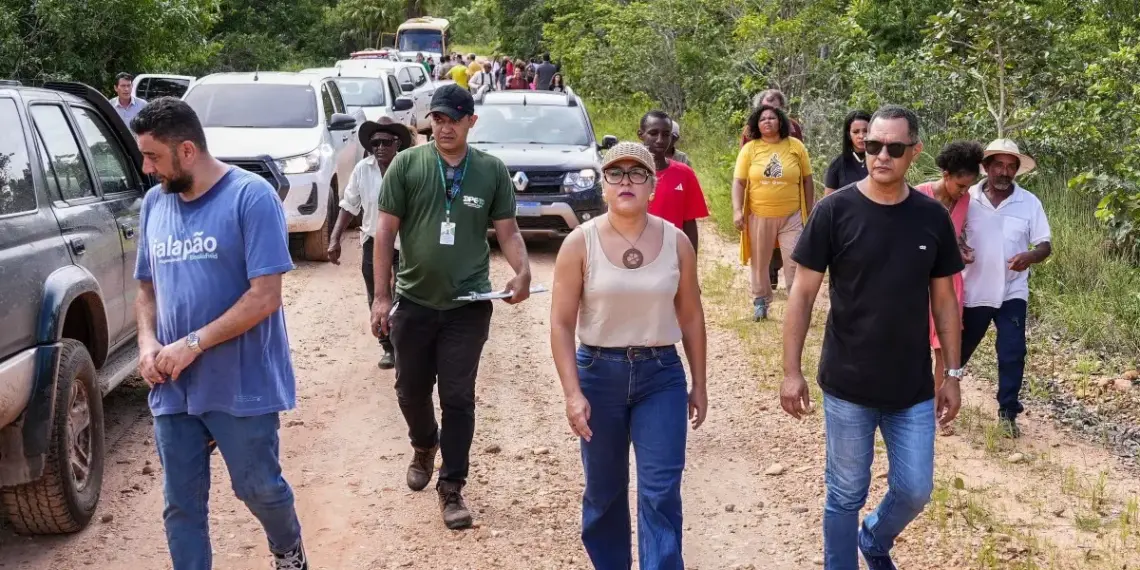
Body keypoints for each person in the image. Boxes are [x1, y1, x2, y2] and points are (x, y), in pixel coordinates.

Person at [782, 105, 964, 570]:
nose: (881, 155)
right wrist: (790, 371)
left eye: (894, 148)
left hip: (911, 388)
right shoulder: (834, 211)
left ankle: (875, 539)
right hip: (848, 384)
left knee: (916, 489)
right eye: (872, 145)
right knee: (845, 492)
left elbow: (945, 303)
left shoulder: (932, 218)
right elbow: (802, 295)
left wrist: (952, 374)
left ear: (914, 152)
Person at [131, 98, 308, 570]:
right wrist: (147, 343)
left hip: (240, 380)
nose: (147, 169)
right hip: (173, 386)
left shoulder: (251, 197)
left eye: (154, 157)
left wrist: (193, 344)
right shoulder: (154, 204)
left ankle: (287, 546)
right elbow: (146, 288)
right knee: (181, 504)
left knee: (258, 488)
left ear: (187, 150)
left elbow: (265, 296)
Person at [369, 84, 532, 529]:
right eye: (438, 120)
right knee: (409, 390)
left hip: (469, 303)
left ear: (470, 122)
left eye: (453, 120)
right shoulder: (407, 164)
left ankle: (452, 487)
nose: (444, 128)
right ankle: (424, 444)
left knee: (458, 396)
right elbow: (384, 233)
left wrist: (522, 271)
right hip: (415, 300)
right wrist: (382, 297)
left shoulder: (490, 171)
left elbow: (508, 231)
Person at [549, 141, 708, 570]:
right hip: (599, 375)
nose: (626, 182)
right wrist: (571, 393)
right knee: (604, 493)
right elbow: (561, 323)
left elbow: (691, 316)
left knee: (660, 491)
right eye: (615, 174)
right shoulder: (579, 244)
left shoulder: (676, 242)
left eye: (637, 173)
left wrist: (700, 383)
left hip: (661, 376)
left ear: (652, 185)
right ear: (602, 186)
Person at [960, 139, 1052, 439]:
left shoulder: (1029, 202)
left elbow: (1044, 245)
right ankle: (935, 398)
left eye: (1011, 166)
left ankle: (1008, 412)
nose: (1004, 171)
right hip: (974, 291)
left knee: (1012, 351)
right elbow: (948, 232)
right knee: (958, 350)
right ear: (985, 167)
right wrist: (958, 248)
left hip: (1012, 291)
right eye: (998, 165)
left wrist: (1030, 256)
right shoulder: (967, 197)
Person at [327, 117, 413, 370]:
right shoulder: (363, 169)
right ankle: (387, 346)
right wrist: (334, 239)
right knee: (377, 295)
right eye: (375, 143)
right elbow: (349, 205)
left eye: (386, 142)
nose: (380, 147)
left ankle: (403, 346)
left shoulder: (409, 169)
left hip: (405, 242)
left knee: (404, 295)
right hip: (373, 242)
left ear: (397, 143)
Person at [914, 141, 984, 435]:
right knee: (917, 344)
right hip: (919, 278)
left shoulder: (966, 202)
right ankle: (915, 406)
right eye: (959, 185)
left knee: (944, 345)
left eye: (968, 186)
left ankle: (938, 409)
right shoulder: (920, 195)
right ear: (945, 173)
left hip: (949, 278)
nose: (963, 192)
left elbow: (954, 237)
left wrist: (963, 250)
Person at [731, 104, 814, 321]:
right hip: (759, 215)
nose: (767, 121)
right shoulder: (750, 149)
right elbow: (739, 182)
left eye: (772, 118)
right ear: (757, 125)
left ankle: (797, 306)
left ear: (781, 122)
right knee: (760, 261)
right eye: (762, 119)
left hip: (792, 216)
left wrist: (810, 211)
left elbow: (807, 179)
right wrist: (737, 210)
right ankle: (760, 302)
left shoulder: (795, 146)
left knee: (795, 260)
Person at [739, 89, 803, 291]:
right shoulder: (750, 130)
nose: (770, 115)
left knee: (788, 241)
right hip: (760, 191)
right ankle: (768, 279)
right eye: (765, 108)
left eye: (775, 109)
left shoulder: (794, 128)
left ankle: (782, 274)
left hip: (788, 193)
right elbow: (743, 162)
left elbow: (800, 158)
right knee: (763, 242)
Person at [639, 110, 709, 253]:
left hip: (672, 255)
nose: (660, 140)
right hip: (635, 255)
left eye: (666, 134)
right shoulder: (627, 174)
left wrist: (691, 265)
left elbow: (689, 223)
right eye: (653, 133)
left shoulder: (685, 173)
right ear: (641, 134)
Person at [823, 111, 871, 195]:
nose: (861, 136)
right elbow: (828, 201)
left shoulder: (881, 160)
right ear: (849, 135)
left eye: (865, 131)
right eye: (856, 132)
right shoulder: (837, 164)